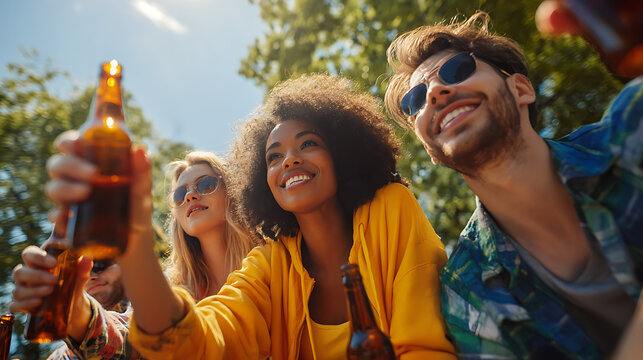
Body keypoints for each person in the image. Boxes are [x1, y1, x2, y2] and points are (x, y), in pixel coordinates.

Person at [45, 74, 456, 359]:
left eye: (308, 143)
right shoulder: (271, 264)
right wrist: (132, 244)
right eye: (273, 156)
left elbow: (424, 345)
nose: (289, 159)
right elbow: (205, 341)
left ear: (342, 154)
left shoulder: (391, 208)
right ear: (263, 179)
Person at [384, 10, 642, 359]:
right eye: (414, 100)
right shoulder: (468, 294)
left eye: (457, 69)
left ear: (521, 89)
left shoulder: (633, 129)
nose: (436, 92)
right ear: (433, 152)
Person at [10, 150, 258, 360]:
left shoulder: (270, 264)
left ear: (233, 192)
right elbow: (132, 341)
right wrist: (76, 311)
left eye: (206, 184)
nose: (191, 196)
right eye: (180, 195)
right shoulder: (170, 291)